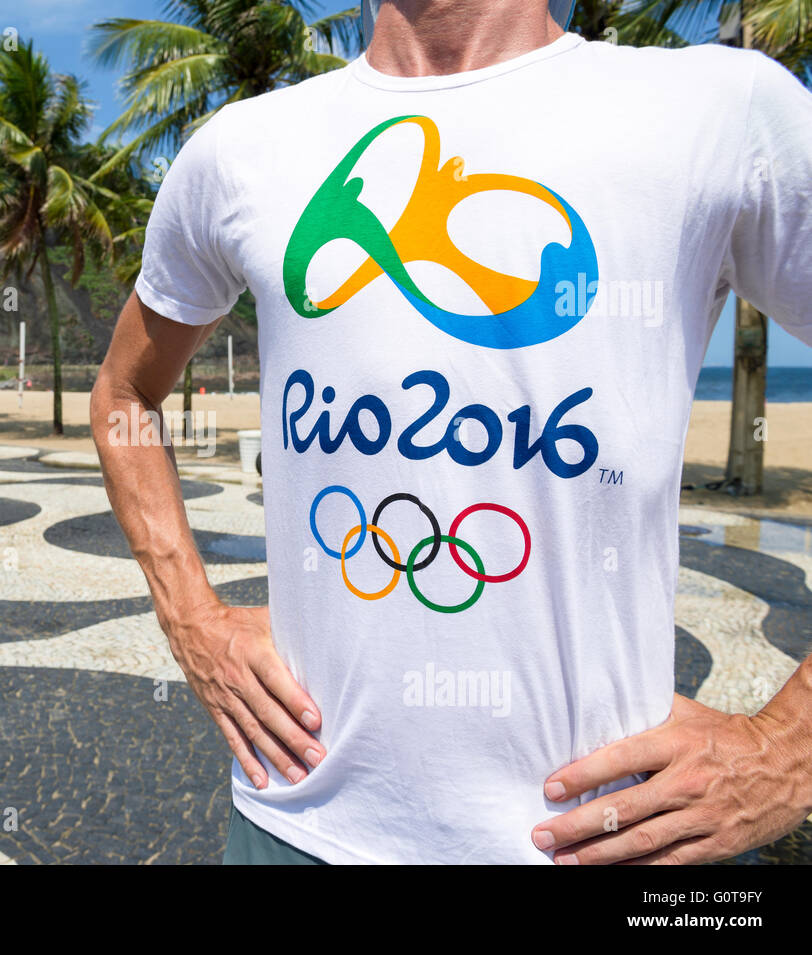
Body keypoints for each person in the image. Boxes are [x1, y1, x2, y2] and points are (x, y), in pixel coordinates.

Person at [91, 0, 812, 866]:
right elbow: (124, 391)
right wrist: (191, 618)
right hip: (295, 824)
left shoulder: (718, 110)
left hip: (610, 839)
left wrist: (788, 751)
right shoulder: (241, 149)